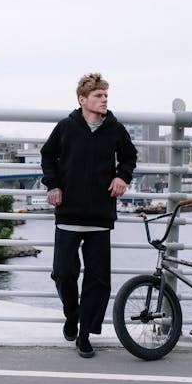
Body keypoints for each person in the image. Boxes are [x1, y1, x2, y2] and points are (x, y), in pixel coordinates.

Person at [40, 72, 137, 358]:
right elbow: (47, 155)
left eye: (106, 95)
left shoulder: (115, 129)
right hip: (68, 212)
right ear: (83, 100)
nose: (104, 99)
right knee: (63, 273)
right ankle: (72, 315)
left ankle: (84, 334)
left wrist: (123, 177)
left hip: (99, 214)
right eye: (98, 95)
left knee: (98, 279)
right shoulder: (66, 127)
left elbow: (129, 157)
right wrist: (53, 185)